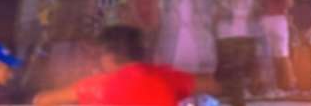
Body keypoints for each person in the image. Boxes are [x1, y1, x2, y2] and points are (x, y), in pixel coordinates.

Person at [35, 24, 196, 106]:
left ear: (109, 57)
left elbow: (42, 99)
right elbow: (213, 84)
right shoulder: (166, 76)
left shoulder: (99, 85)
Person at [212, 0, 257, 106]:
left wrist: (224, 10)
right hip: (225, 35)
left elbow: (242, 12)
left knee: (234, 75)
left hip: (235, 36)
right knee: (228, 75)